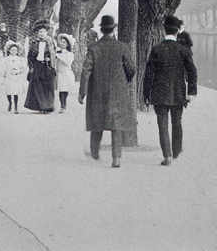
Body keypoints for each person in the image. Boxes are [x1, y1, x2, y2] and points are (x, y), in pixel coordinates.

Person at [78, 15, 135, 168]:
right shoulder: (122, 47)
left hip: (97, 90)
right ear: (113, 29)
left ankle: (95, 153)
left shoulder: (94, 47)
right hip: (118, 91)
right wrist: (125, 81)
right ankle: (116, 158)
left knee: (97, 121)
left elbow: (86, 71)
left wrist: (82, 91)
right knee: (117, 124)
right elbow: (131, 69)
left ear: (101, 29)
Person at [143, 14, 197, 166]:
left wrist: (146, 93)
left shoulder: (157, 49)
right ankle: (177, 151)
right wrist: (192, 92)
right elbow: (192, 71)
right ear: (177, 31)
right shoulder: (183, 50)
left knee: (162, 123)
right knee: (177, 121)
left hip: (159, 93)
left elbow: (148, 74)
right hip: (178, 92)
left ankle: (167, 155)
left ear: (163, 29)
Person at [24, 19, 56, 113]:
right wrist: (31, 67)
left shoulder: (50, 41)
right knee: (37, 86)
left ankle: (48, 106)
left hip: (47, 66)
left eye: (43, 31)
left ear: (46, 32)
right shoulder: (33, 42)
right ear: (37, 32)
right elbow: (30, 55)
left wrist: (49, 59)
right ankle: (40, 106)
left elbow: (53, 54)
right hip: (37, 65)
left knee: (47, 86)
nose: (42, 33)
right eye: (40, 31)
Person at [2, 40, 26, 114]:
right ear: (9, 51)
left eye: (15, 50)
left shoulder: (20, 59)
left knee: (16, 92)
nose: (14, 51)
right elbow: (3, 68)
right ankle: (10, 102)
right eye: (12, 50)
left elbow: (23, 68)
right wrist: (4, 74)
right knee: (9, 92)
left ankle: (16, 107)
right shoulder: (6, 59)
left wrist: (18, 71)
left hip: (16, 77)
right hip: (8, 77)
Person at [55, 33, 75, 113]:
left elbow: (67, 63)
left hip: (66, 73)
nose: (61, 43)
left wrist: (60, 57)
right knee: (61, 89)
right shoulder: (58, 52)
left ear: (67, 44)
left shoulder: (70, 54)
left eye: (64, 42)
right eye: (61, 42)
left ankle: (64, 103)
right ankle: (62, 105)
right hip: (60, 73)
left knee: (65, 89)